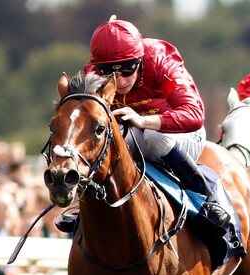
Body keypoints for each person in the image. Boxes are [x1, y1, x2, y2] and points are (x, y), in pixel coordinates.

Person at [75, 18, 229, 231]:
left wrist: (144, 121)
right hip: (134, 135)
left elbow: (194, 114)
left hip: (181, 135)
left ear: (139, 61)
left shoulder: (160, 60)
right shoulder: (92, 73)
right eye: (110, 74)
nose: (120, 82)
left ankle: (210, 200)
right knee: (108, 138)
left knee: (154, 136)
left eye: (127, 72)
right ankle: (86, 208)